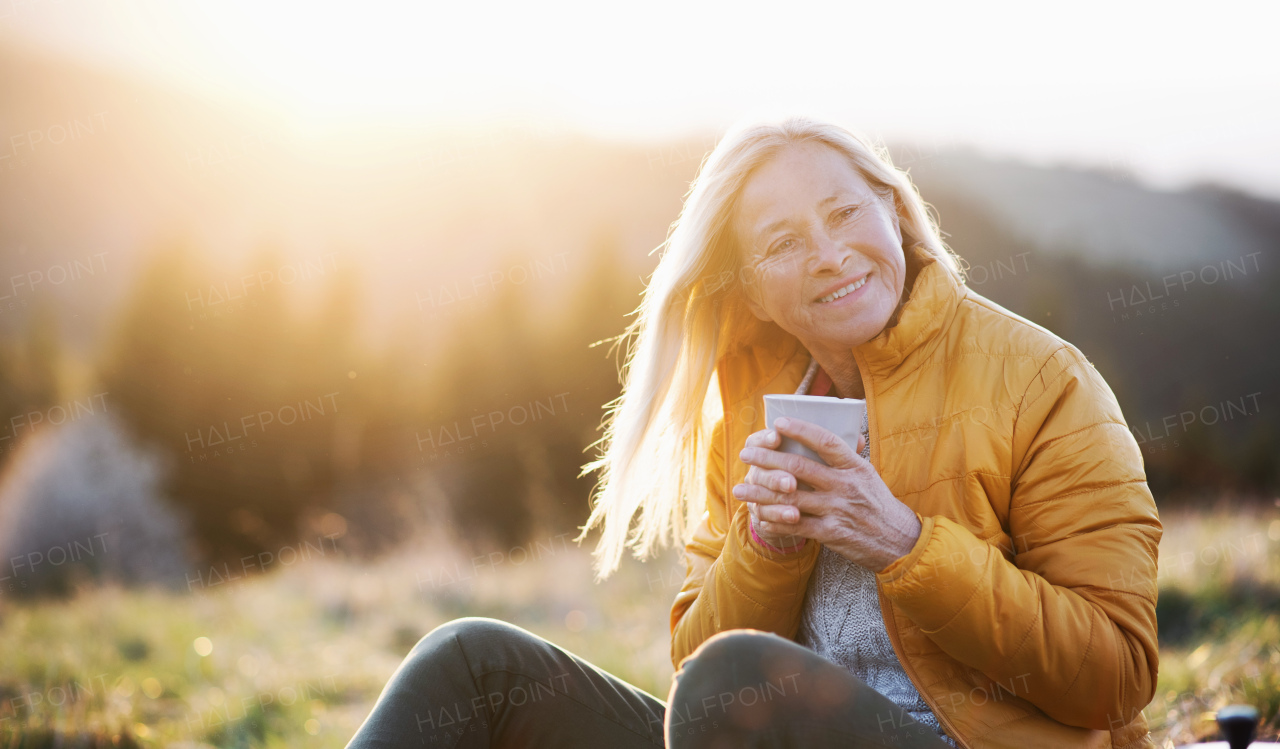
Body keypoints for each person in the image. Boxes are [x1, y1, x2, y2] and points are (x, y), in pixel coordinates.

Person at [345, 117, 1162, 748]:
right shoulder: (753, 402)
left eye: (845, 212)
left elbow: (1117, 675)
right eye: (782, 243)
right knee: (470, 661)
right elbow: (697, 676)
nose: (830, 254)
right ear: (755, 293)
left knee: (738, 674)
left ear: (895, 210)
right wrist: (765, 548)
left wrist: (904, 543)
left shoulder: (1040, 379)